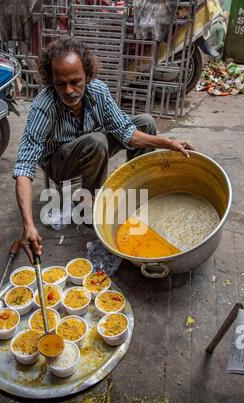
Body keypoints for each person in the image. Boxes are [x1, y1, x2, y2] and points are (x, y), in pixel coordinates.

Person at [14, 37, 194, 258]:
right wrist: (28, 225)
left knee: (145, 122)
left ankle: (136, 195)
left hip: (91, 149)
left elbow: (126, 132)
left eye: (76, 81)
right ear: (51, 81)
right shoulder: (44, 107)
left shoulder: (98, 92)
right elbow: (24, 167)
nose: (69, 90)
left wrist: (168, 143)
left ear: (87, 75)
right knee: (96, 141)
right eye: (60, 84)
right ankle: (92, 211)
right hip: (59, 162)